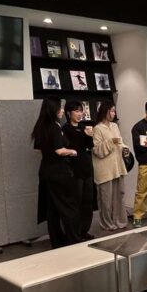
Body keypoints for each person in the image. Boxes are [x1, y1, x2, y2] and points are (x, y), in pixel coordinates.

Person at [31, 97, 81, 248]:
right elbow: (59, 150)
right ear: (53, 109)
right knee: (69, 207)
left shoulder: (40, 126)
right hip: (59, 173)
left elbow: (38, 150)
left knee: (52, 209)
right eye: (60, 108)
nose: (62, 111)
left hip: (45, 171)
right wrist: (72, 151)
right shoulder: (54, 126)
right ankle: (74, 241)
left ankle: (57, 243)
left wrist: (49, 154)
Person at [60, 100, 95, 239]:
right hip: (74, 171)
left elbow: (89, 146)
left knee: (88, 202)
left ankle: (84, 230)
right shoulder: (65, 129)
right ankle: (74, 233)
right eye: (77, 111)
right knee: (76, 203)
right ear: (69, 113)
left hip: (87, 168)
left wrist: (90, 136)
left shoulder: (83, 127)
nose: (80, 114)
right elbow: (67, 148)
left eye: (81, 111)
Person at [92, 101, 129, 231]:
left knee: (120, 196)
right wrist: (110, 142)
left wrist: (125, 148)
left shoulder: (115, 126)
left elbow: (120, 143)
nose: (113, 114)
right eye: (111, 111)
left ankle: (119, 221)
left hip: (117, 166)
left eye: (114, 111)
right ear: (105, 111)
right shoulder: (98, 128)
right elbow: (97, 150)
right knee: (106, 199)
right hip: (104, 169)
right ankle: (107, 223)